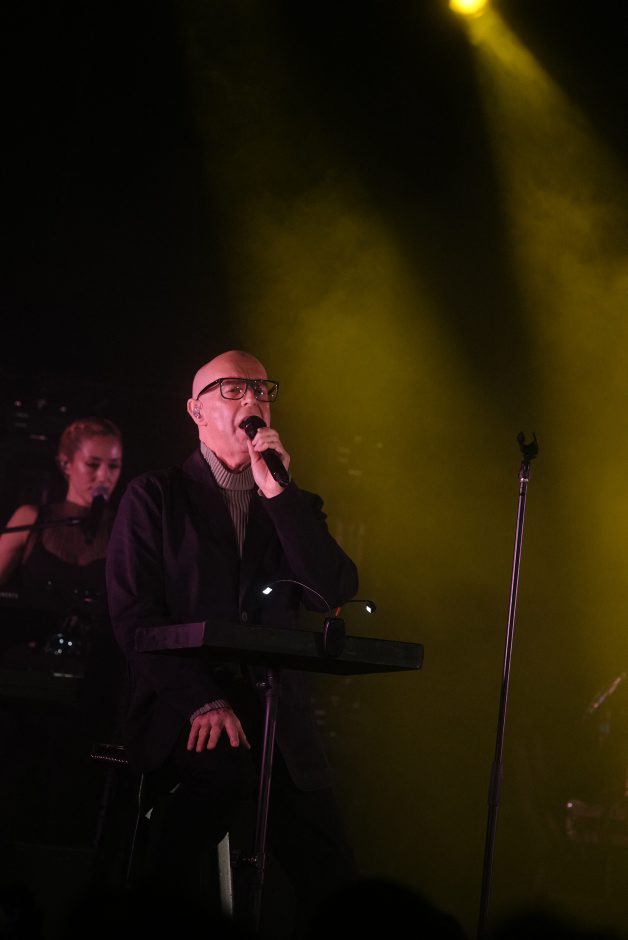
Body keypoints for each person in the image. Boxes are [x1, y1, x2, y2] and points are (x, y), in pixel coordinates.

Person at [105, 349, 359, 936]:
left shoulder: (291, 504)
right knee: (218, 786)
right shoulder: (155, 497)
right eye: (234, 389)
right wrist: (202, 699)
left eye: (262, 390)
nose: (253, 400)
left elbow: (332, 591)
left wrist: (279, 497)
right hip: (184, 709)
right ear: (195, 411)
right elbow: (135, 618)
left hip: (275, 722)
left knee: (332, 866)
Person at [0, 416, 125, 851]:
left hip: (93, 692)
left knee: (75, 806)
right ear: (65, 463)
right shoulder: (34, 520)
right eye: (93, 464)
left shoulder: (125, 528)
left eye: (113, 466)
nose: (103, 476)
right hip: (24, 693)